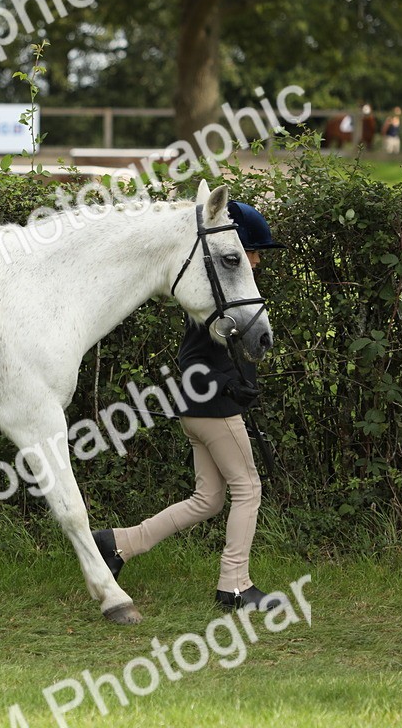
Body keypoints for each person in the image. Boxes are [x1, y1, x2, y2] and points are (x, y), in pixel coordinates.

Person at [92, 200, 287, 612]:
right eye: (252, 251)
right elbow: (191, 363)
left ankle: (118, 543)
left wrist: (239, 383)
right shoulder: (210, 306)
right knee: (248, 489)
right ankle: (235, 585)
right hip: (215, 413)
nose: (254, 260)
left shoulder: (226, 301)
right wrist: (233, 388)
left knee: (208, 500)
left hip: (201, 415)